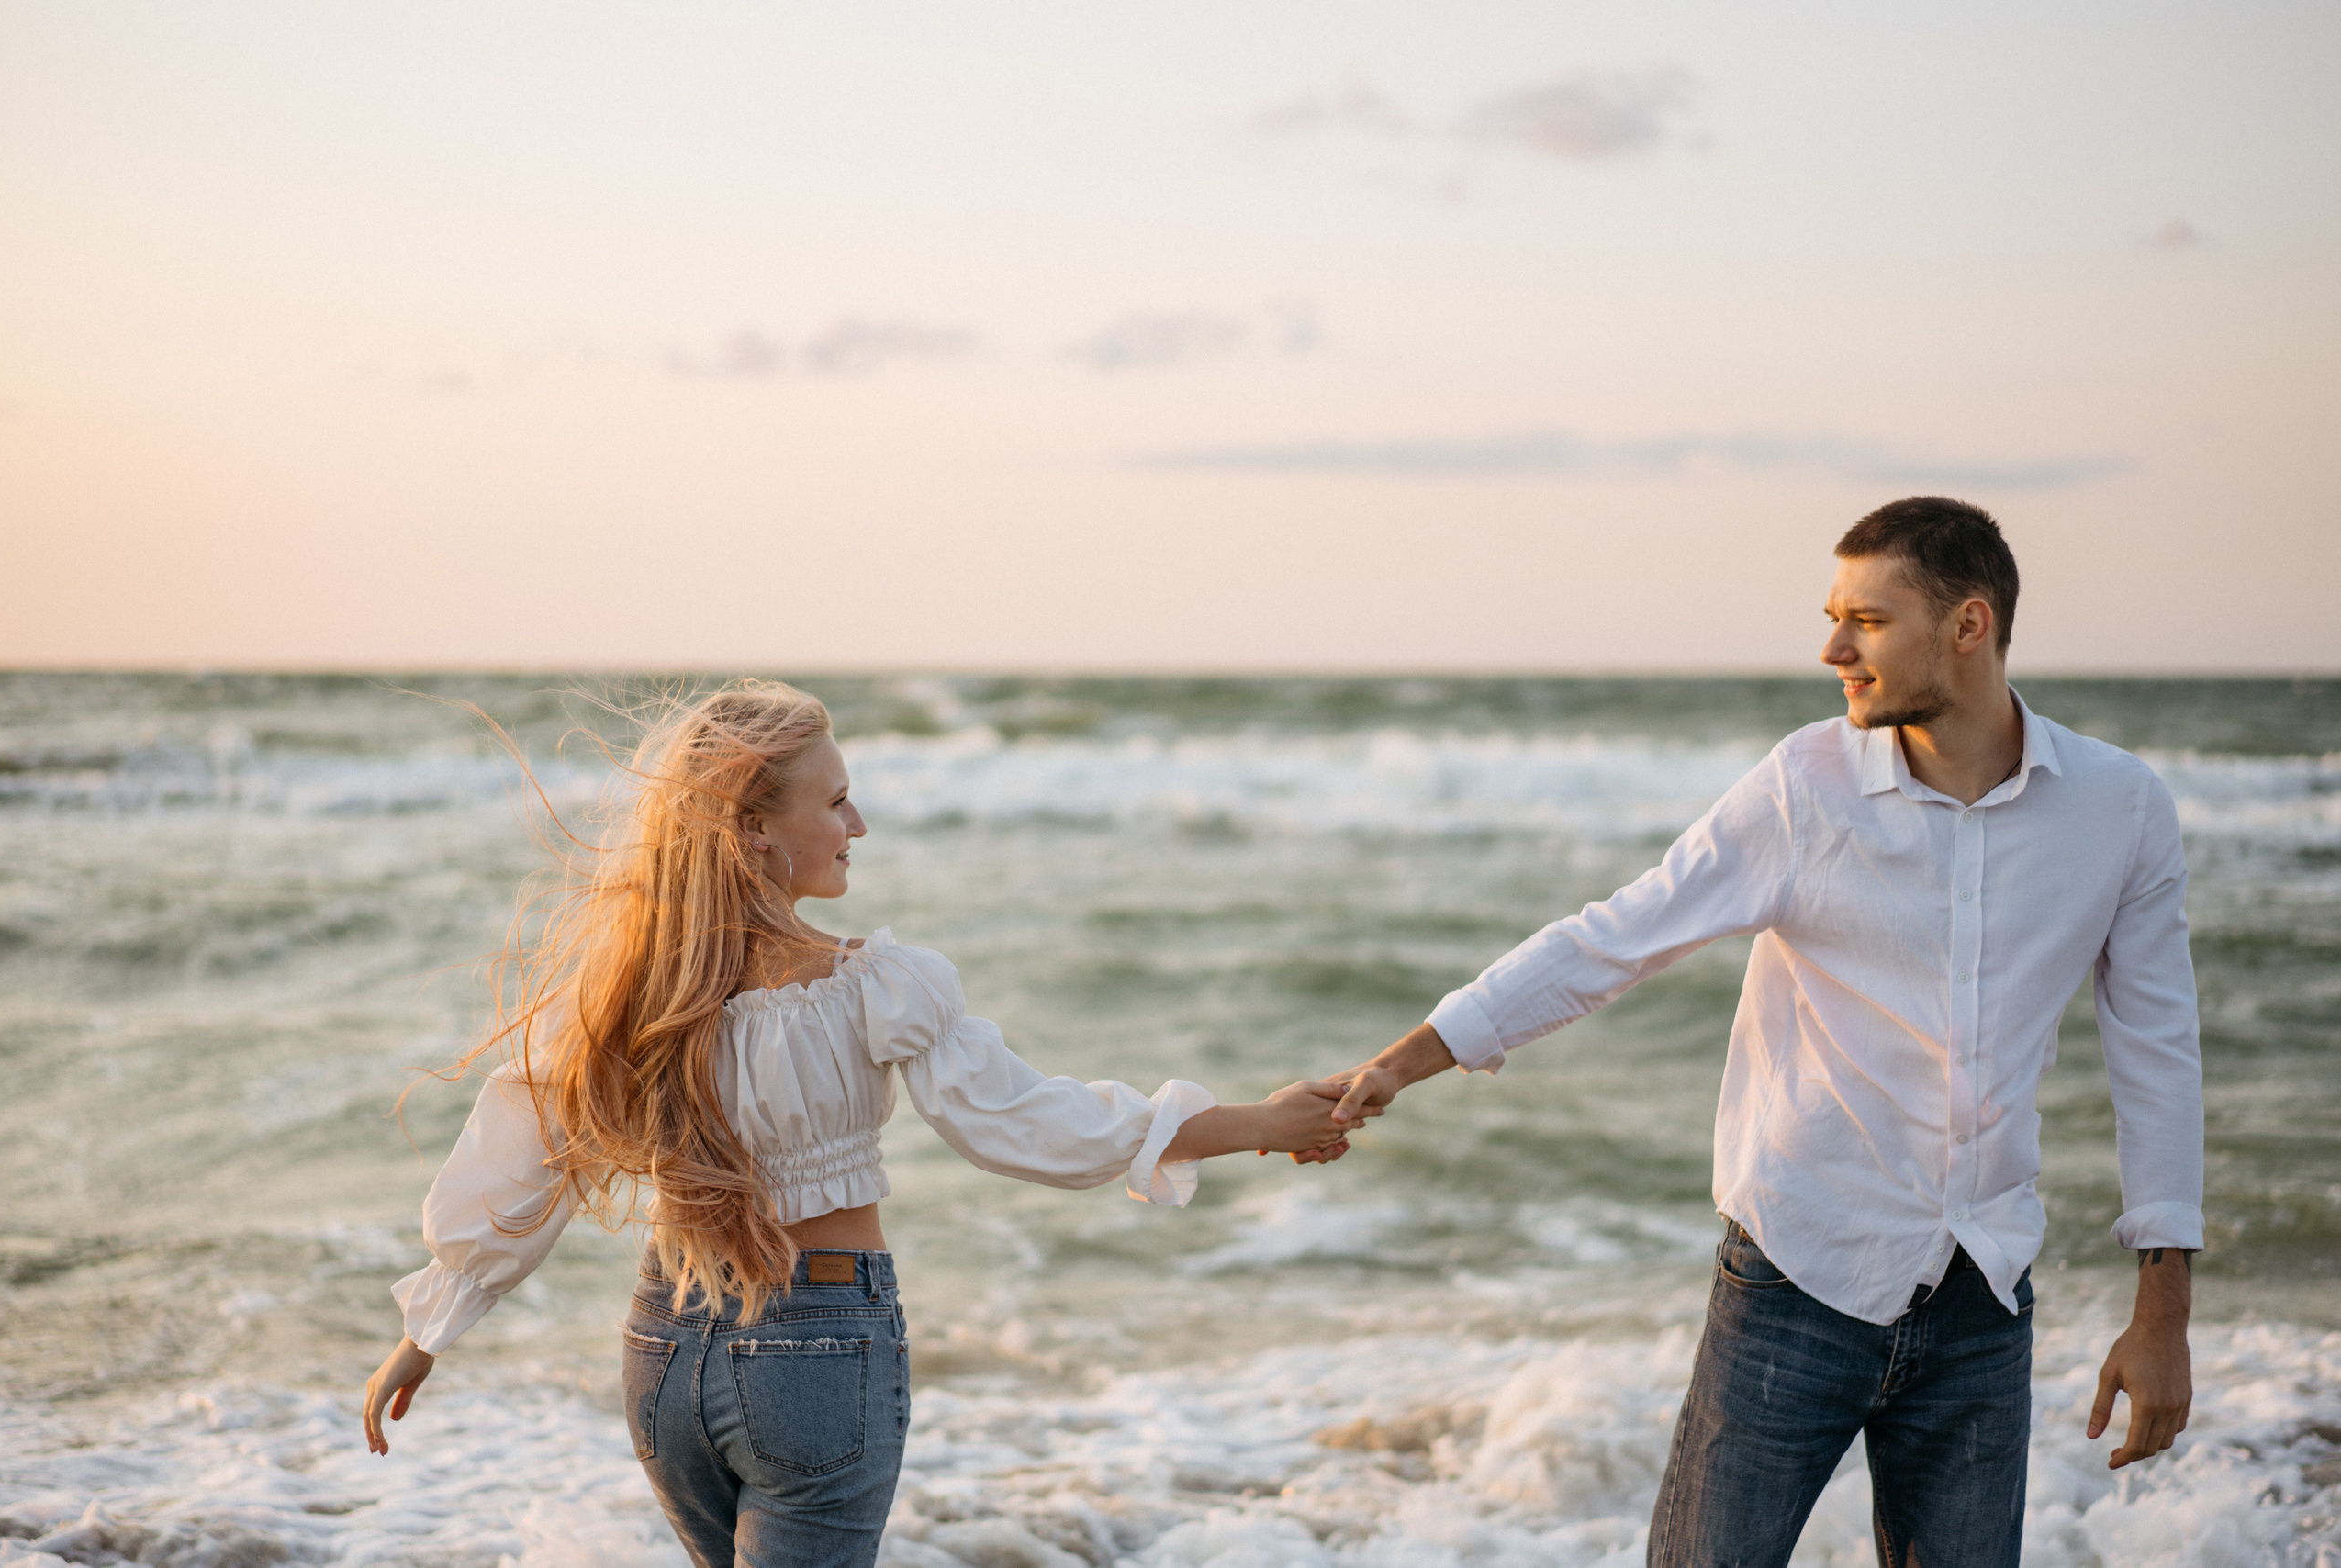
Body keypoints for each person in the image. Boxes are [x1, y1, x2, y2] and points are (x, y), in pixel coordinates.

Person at [1317, 498, 2202, 1568]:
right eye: (1834, 618)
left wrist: (2161, 1316)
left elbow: (2155, 1054)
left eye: (1867, 621)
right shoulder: (1803, 787)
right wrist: (1407, 1059)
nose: (1833, 650)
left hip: (1982, 1291)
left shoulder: (2118, 808)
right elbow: (1617, 937)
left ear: (1968, 624)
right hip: (1795, 1278)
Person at [359, 681, 1368, 1568]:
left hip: (663, 1353)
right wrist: (1260, 1121)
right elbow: (1028, 1124)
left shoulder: (632, 992)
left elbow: (523, 1143)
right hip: (817, 1351)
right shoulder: (870, 985)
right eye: (836, 800)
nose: (860, 823)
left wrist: (430, 1327)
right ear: (753, 827)